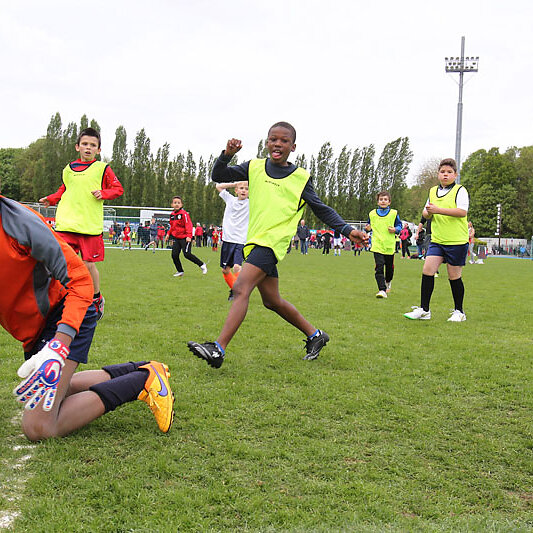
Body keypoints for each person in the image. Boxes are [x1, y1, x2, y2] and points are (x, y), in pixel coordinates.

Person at [187, 121, 368, 368]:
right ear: (267, 142)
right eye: (273, 139)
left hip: (273, 243)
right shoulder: (254, 167)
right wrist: (227, 155)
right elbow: (218, 176)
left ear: (293, 147)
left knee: (240, 288)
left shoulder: (300, 178)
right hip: (255, 242)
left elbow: (321, 209)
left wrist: (347, 230)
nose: (278, 144)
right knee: (272, 301)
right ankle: (316, 335)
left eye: (284, 141)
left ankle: (218, 349)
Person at [0, 195, 175, 440]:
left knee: (38, 427)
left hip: (66, 315)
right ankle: (143, 369)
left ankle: (142, 382)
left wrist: (59, 345)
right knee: (57, 389)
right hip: (36, 331)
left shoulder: (17, 222)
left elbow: (81, 281)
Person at [39, 128, 123, 321]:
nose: (88, 148)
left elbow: (118, 189)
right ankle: (58, 300)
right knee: (59, 263)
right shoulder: (68, 169)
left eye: (93, 145)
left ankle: (96, 299)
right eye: (85, 144)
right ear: (77, 147)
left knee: (87, 264)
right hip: (66, 225)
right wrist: (51, 199)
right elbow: (64, 189)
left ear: (98, 150)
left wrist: (104, 193)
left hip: (89, 227)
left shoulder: (102, 169)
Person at [404, 158, 469, 322]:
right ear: (438, 174)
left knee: (454, 276)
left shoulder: (460, 190)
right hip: (437, 240)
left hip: (456, 241)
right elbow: (426, 213)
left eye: (449, 172)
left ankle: (459, 311)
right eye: (442, 172)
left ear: (455, 175)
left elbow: (462, 212)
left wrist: (438, 210)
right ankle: (424, 310)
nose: (445, 175)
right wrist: (428, 213)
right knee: (428, 270)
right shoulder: (433, 191)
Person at [216, 181, 250, 301]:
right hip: (227, 240)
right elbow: (218, 186)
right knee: (225, 270)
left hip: (241, 240)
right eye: (241, 188)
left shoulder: (251, 204)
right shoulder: (230, 199)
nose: (243, 190)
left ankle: (240, 292)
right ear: (236, 190)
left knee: (237, 267)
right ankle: (234, 289)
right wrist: (235, 183)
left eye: (246, 189)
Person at [365, 190, 402, 298]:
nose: (383, 201)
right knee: (379, 267)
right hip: (377, 245)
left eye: (385, 199)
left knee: (389, 268)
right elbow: (368, 226)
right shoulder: (372, 213)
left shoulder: (393, 213)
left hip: (389, 245)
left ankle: (388, 281)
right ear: (377, 202)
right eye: (381, 199)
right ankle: (382, 290)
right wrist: (367, 228)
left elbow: (399, 226)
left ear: (389, 202)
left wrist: (395, 229)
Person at [165, 196, 207, 277]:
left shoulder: (184, 214)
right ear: (172, 205)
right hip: (177, 238)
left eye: (178, 203)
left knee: (187, 254)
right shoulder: (172, 215)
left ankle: (202, 265)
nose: (177, 204)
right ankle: (180, 271)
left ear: (181, 205)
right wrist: (168, 234)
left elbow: (188, 225)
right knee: (174, 255)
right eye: (175, 203)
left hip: (185, 238)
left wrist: (189, 236)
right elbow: (172, 226)